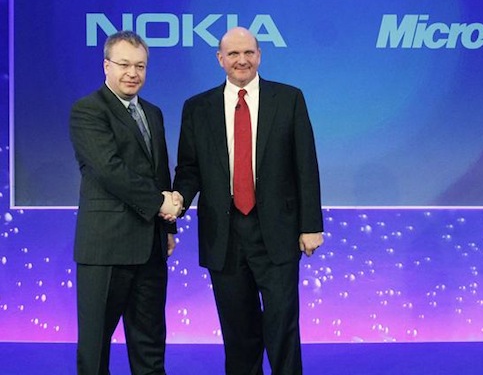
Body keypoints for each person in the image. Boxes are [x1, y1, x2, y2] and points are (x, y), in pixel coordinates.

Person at [173, 27, 324, 374]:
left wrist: (311, 226)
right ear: (220, 59)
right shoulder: (197, 107)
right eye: (233, 54)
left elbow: (306, 166)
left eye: (249, 53)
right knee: (238, 333)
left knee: (282, 327)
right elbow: (189, 168)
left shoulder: (288, 99)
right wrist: (176, 203)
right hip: (223, 236)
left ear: (259, 55)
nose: (241, 60)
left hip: (278, 232)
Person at [69, 30, 182, 375]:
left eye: (140, 66)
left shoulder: (153, 112)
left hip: (150, 247)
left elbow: (160, 172)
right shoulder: (88, 110)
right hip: (106, 249)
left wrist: (169, 228)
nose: (133, 73)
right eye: (124, 64)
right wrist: (160, 203)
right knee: (95, 348)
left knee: (150, 345)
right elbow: (109, 170)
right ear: (106, 66)